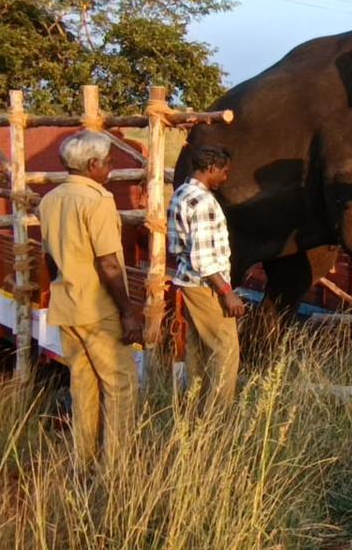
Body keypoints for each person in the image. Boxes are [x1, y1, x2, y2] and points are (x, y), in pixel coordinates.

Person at [39, 131, 143, 466]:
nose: (110, 168)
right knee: (120, 386)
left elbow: (50, 259)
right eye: (109, 161)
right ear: (93, 163)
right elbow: (109, 262)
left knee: (82, 387)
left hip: (66, 305)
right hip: (99, 308)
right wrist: (128, 312)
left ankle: (81, 463)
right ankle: (116, 469)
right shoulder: (98, 200)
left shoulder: (49, 200)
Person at [168, 145, 245, 409]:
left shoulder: (181, 193)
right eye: (224, 172)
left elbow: (178, 246)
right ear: (211, 169)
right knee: (225, 349)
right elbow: (204, 259)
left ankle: (195, 407)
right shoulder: (203, 203)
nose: (225, 178)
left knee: (198, 349)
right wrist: (227, 292)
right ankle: (219, 418)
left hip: (188, 281)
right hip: (206, 285)